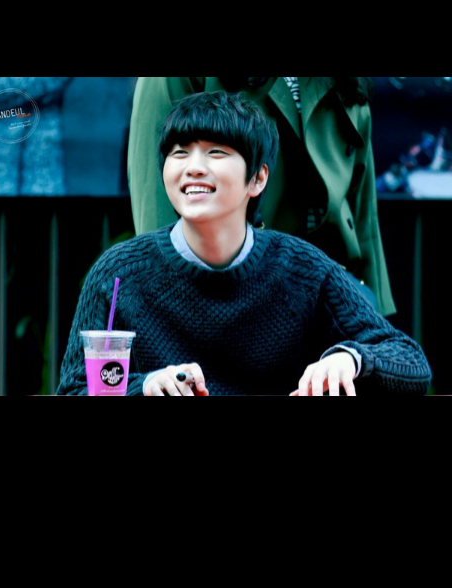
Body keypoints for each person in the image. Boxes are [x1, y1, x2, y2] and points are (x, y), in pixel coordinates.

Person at [58, 92, 431, 397]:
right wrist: (145, 386)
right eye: (180, 152)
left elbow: (411, 362)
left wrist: (351, 358)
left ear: (258, 178)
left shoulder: (303, 269)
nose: (193, 167)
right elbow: (74, 389)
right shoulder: (118, 273)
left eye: (216, 152)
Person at [128, 77, 396, 317]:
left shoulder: (345, 83)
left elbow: (362, 210)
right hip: (231, 293)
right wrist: (169, 308)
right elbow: (155, 193)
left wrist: (374, 312)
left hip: (331, 295)